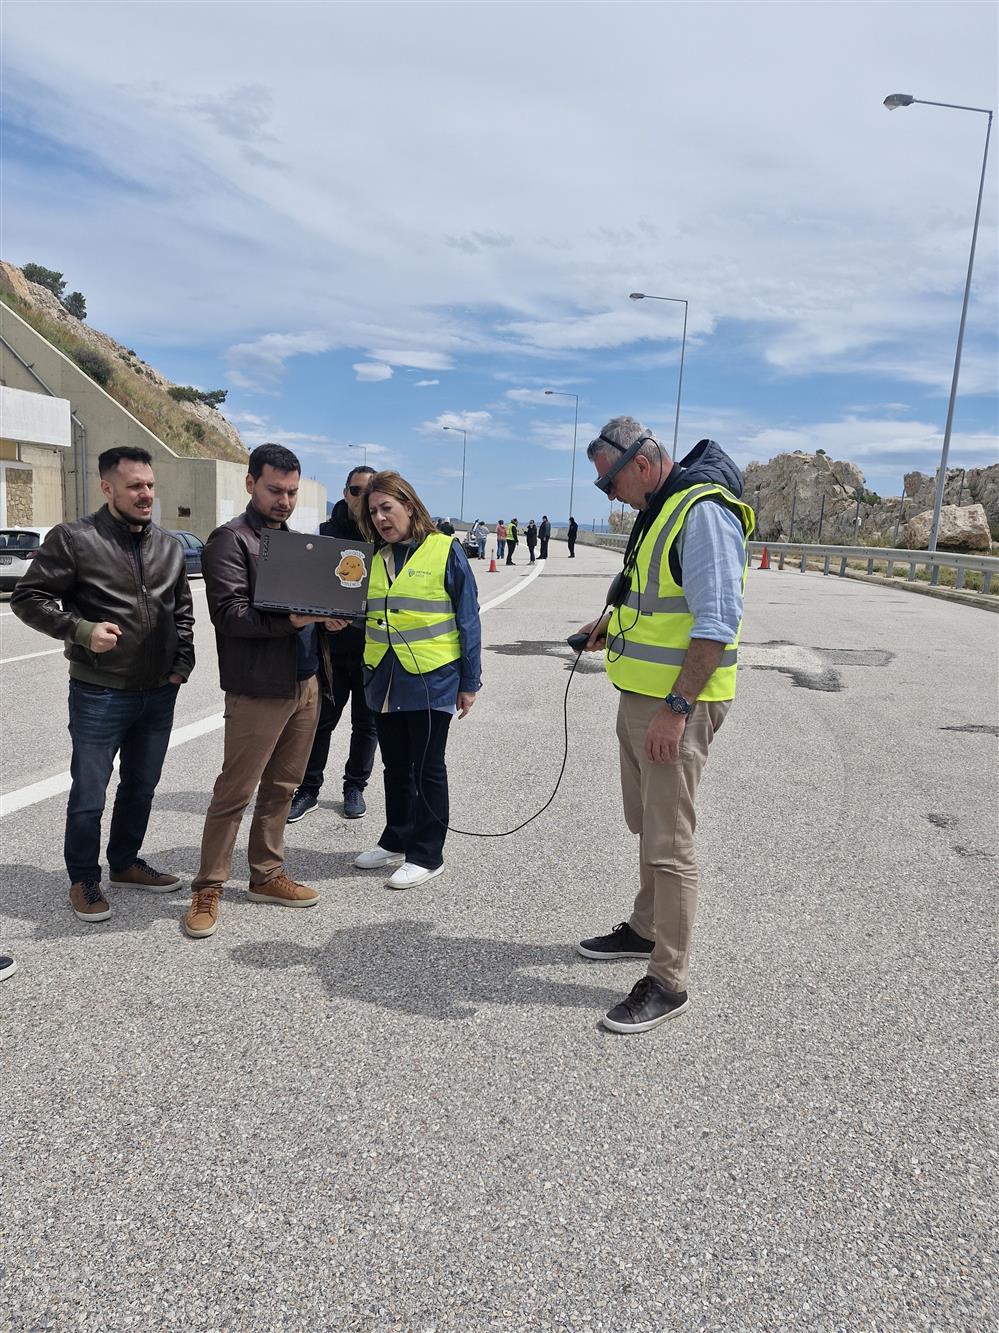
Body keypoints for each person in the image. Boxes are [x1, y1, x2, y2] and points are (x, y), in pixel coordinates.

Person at [573, 417, 754, 1034]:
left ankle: (668, 980)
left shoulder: (700, 513)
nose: (610, 496)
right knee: (646, 823)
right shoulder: (661, 512)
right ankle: (645, 929)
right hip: (641, 696)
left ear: (642, 464)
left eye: (610, 483)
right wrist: (603, 630)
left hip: (677, 704)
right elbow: (652, 602)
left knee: (670, 841)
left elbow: (716, 621)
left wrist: (677, 711)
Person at [11, 446, 193, 922]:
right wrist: (80, 630)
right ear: (107, 487)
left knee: (142, 785)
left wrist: (181, 666)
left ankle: (126, 863)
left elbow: (183, 612)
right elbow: (28, 598)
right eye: (135, 486)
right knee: (89, 792)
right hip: (100, 690)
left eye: (150, 485)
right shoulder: (74, 539)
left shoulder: (169, 545)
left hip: (158, 691)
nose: (146, 494)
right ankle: (84, 878)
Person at [186, 443, 340, 939]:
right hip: (257, 687)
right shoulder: (229, 541)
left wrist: (327, 621)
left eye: (292, 492)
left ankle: (266, 874)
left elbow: (308, 608)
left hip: (304, 681)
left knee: (282, 788)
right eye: (275, 489)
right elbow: (230, 616)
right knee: (235, 791)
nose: (285, 500)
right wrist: (294, 618)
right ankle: (208, 886)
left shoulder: (293, 543)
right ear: (250, 483)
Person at [350, 471, 481, 889]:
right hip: (383, 678)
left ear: (409, 505)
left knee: (427, 767)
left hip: (431, 678)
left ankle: (427, 854)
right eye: (373, 512)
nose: (381, 518)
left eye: (387, 508)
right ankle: (397, 837)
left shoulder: (445, 551)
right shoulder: (375, 557)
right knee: (394, 766)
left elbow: (468, 619)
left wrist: (470, 682)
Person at [288, 465, 378, 824]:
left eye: (369, 492)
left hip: (375, 649)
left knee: (366, 726)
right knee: (322, 722)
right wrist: (324, 617)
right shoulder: (327, 534)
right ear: (345, 493)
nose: (362, 498)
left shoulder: (386, 535)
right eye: (356, 491)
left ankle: (354, 786)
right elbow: (310, 589)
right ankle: (308, 788)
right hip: (334, 649)